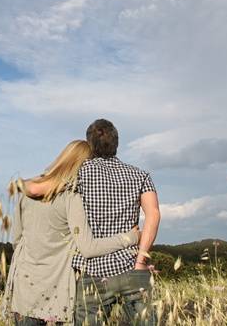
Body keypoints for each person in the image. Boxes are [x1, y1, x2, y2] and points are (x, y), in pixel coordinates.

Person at [3, 140, 140, 325]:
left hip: (24, 287)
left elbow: (17, 240)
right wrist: (130, 237)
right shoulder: (71, 196)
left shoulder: (28, 192)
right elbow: (88, 248)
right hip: (54, 290)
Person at [72, 119, 160, 325]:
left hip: (90, 270)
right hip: (131, 265)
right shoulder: (139, 175)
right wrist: (141, 261)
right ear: (117, 143)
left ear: (89, 145)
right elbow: (153, 214)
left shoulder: (77, 175)